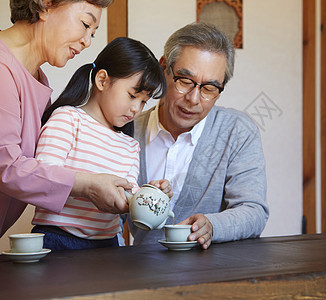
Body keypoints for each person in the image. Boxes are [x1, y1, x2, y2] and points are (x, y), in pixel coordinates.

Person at [128, 23, 269, 250]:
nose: (194, 99)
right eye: (185, 81)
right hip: (143, 271)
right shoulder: (128, 130)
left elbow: (254, 212)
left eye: (209, 88)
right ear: (164, 67)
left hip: (212, 274)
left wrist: (212, 225)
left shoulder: (238, 131)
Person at [0, 0, 132, 238]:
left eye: (93, 33)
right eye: (85, 24)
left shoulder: (38, 78)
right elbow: (6, 168)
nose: (87, 41)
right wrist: (88, 185)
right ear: (45, 5)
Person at [30, 37, 172, 250]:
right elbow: (41, 178)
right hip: (58, 239)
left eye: (144, 101)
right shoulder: (68, 119)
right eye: (132, 95)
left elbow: (127, 198)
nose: (136, 108)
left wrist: (149, 194)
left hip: (109, 243)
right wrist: (88, 186)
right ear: (102, 80)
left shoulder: (130, 145)